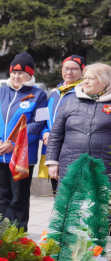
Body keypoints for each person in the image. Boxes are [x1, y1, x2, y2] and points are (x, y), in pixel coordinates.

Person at [0, 53, 48, 230]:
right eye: (14, 72)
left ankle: (18, 231)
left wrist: (15, 144)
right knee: (3, 194)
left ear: (30, 75)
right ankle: (5, 230)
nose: (17, 76)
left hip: (22, 155)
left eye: (22, 73)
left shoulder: (39, 95)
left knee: (19, 194)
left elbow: (39, 123)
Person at [46, 62, 111, 183]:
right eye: (85, 78)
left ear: (106, 82)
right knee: (72, 201)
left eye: (91, 78)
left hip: (104, 168)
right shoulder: (71, 101)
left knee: (101, 201)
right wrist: (52, 162)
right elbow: (56, 134)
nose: (85, 82)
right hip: (71, 166)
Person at [42, 55, 85, 194]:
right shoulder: (54, 93)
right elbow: (42, 118)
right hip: (52, 148)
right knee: (56, 191)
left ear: (82, 71)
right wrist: (45, 133)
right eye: (66, 68)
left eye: (74, 69)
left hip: (71, 148)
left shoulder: (83, 93)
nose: (69, 72)